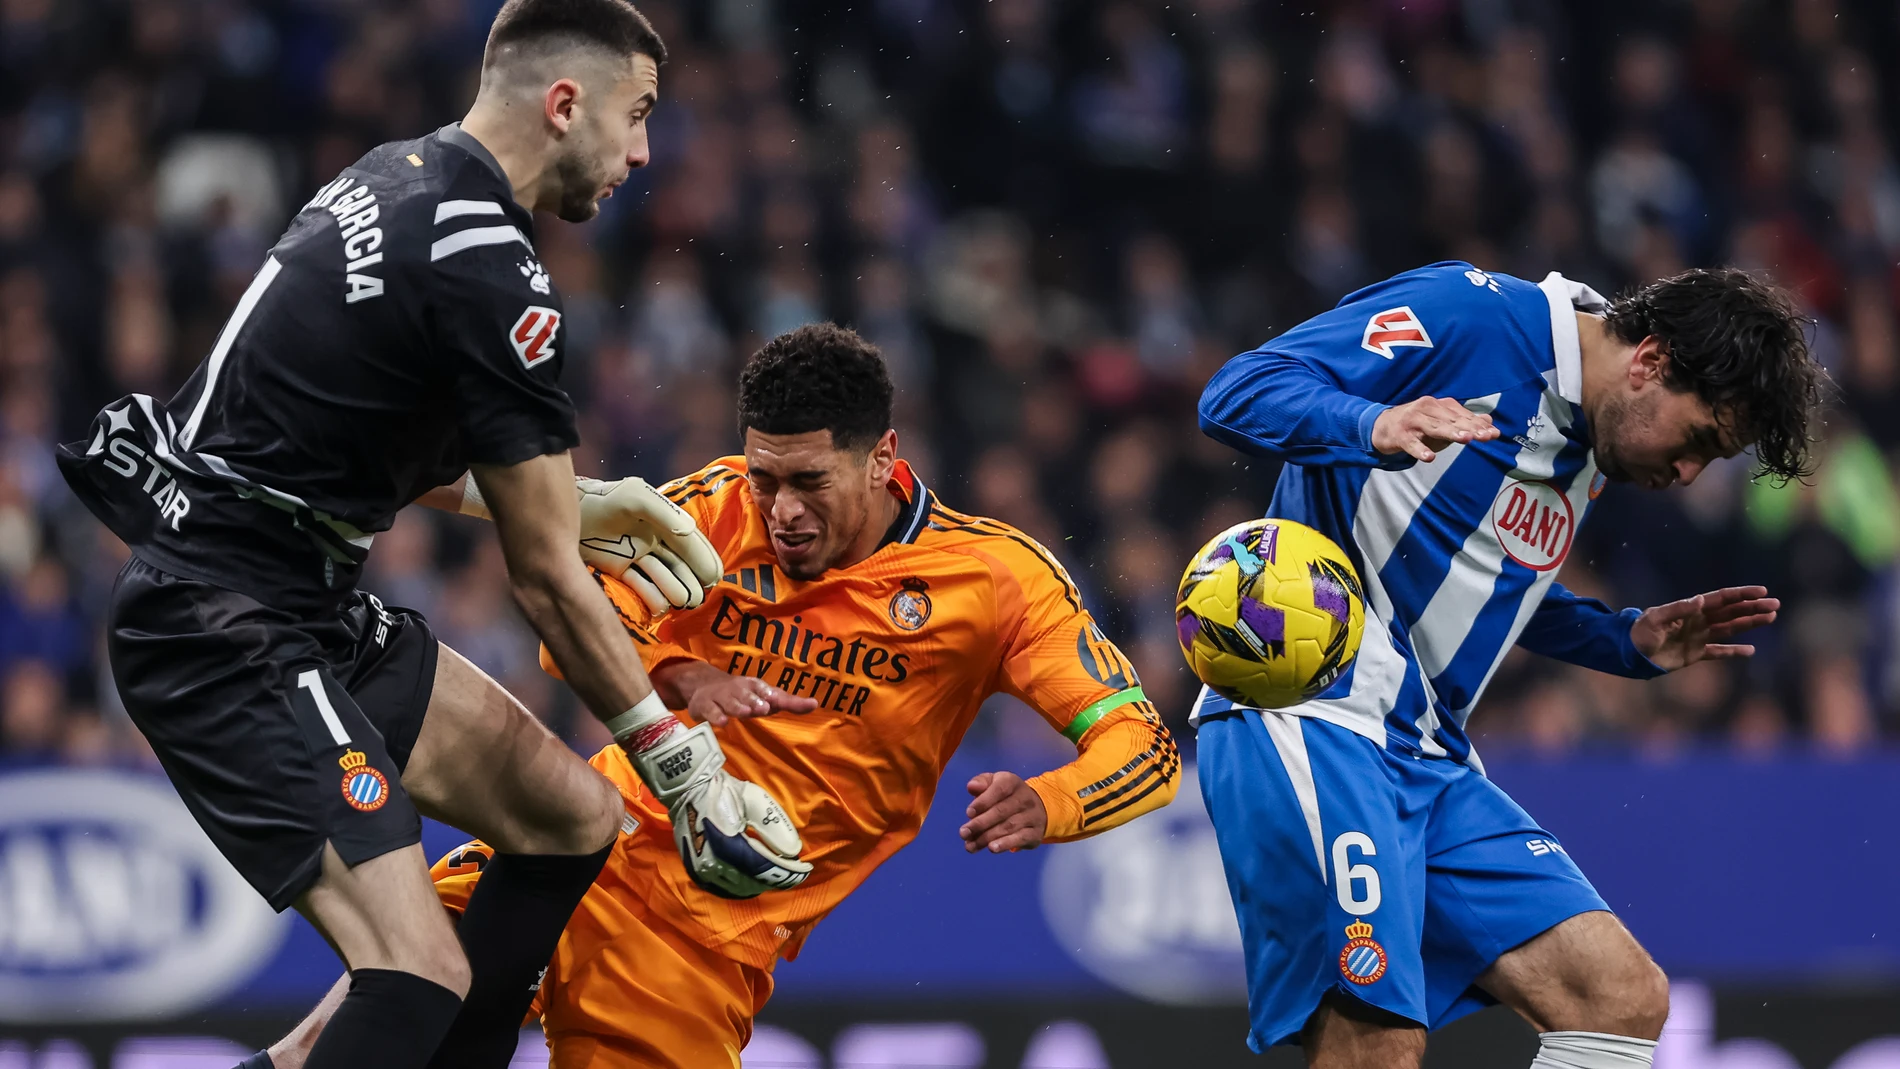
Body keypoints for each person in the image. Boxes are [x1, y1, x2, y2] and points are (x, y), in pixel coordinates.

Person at [55, 4, 808, 1069]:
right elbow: (545, 582)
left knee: (570, 818)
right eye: (635, 116)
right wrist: (677, 761)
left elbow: (324, 438)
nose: (642, 151)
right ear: (564, 105)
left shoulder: (392, 175)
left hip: (282, 588)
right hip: (230, 625)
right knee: (413, 975)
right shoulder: (491, 268)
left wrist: (572, 499)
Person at [257, 323, 1182, 1069]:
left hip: (706, 936)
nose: (779, 509)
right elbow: (573, 620)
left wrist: (1051, 799)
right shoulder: (711, 508)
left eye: (809, 481)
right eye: (764, 475)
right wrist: (681, 674)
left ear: (882, 457)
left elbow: (1145, 750)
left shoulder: (996, 578)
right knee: (363, 1026)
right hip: (583, 844)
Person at [1193, 263, 1822, 1068]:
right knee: (1378, 1038)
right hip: (1311, 713)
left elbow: (1480, 564)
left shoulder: (1589, 426)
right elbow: (1236, 390)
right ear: (1651, 361)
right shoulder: (1470, 318)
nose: (1689, 474)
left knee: (1619, 997)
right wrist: (1369, 422)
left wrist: (1620, 642)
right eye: (1698, 440)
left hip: (1424, 755)